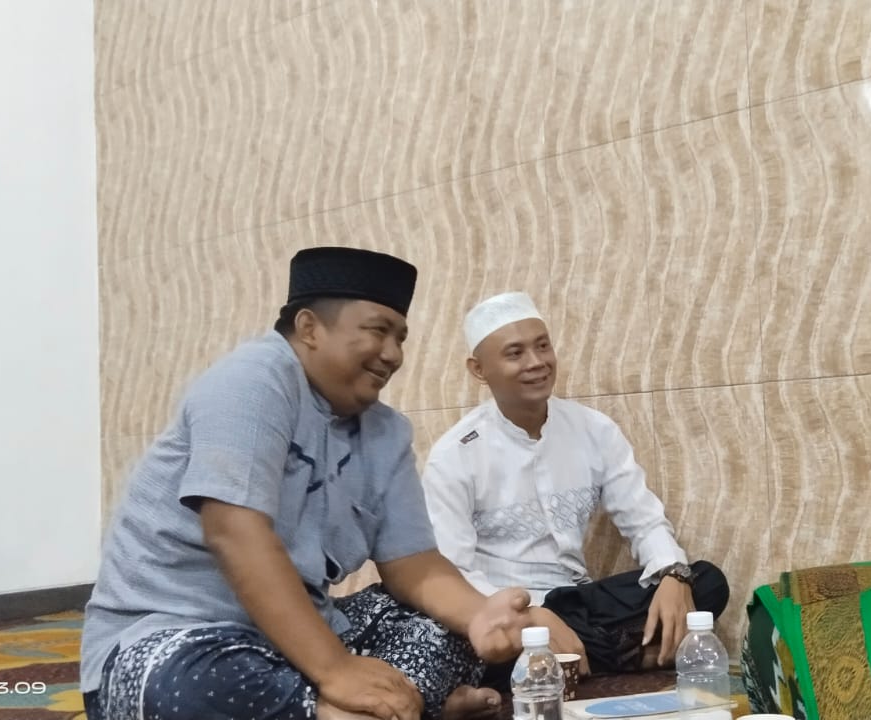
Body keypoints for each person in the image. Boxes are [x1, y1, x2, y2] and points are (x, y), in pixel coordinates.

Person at [80, 248, 533, 720]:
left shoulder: (386, 431)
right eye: (378, 330)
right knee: (188, 686)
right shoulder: (251, 381)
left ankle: (359, 709)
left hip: (305, 635)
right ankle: (379, 706)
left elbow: (413, 563)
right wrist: (335, 669)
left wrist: (480, 616)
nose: (393, 354)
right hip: (179, 635)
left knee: (443, 627)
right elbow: (235, 534)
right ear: (309, 327)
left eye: (400, 338)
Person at [421, 291, 730, 681]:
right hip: (506, 613)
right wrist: (527, 615)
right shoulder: (455, 454)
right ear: (479, 369)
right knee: (463, 641)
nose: (537, 362)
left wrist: (674, 574)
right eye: (515, 353)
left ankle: (576, 658)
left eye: (542, 346)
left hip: (576, 600)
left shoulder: (594, 429)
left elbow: (644, 520)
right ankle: (618, 654)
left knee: (707, 581)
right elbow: (454, 570)